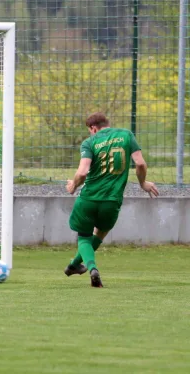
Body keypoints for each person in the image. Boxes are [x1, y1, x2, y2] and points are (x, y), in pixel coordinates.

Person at [64, 112, 159, 287]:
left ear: (93, 128)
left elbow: (83, 172)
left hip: (88, 199)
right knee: (100, 233)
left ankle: (92, 268)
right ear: (107, 124)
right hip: (112, 201)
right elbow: (140, 163)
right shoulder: (126, 135)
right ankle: (74, 265)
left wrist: (73, 185)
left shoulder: (89, 142)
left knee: (84, 237)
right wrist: (143, 183)